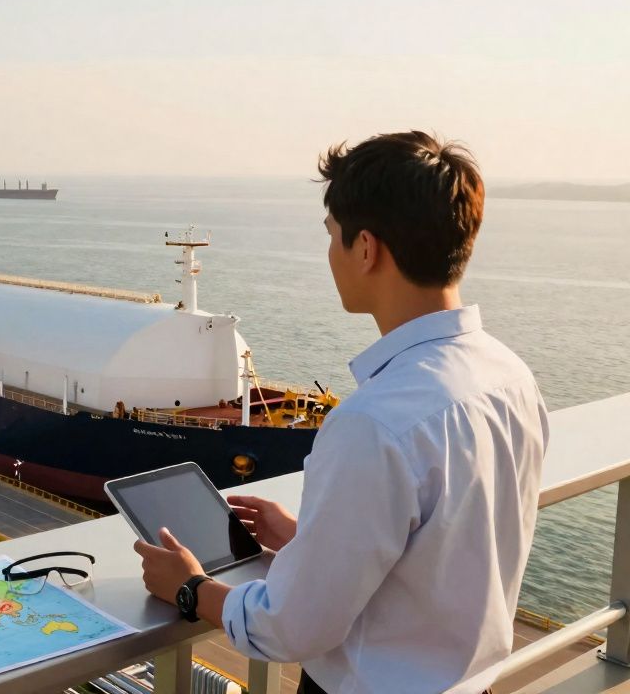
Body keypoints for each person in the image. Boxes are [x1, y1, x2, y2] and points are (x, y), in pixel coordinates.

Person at [135, 131, 548, 694]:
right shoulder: (511, 377)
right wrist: (314, 541)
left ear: (366, 248)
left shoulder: (373, 423)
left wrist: (190, 587)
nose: (330, 253)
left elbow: (291, 629)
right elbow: (443, 552)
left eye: (332, 235)